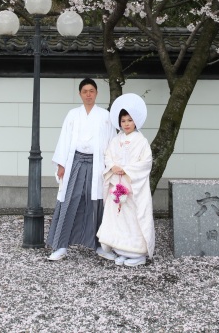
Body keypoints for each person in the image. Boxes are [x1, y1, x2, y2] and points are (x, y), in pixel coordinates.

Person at [46, 78, 116, 261]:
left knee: (96, 203)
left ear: (97, 93)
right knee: (69, 200)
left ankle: (101, 245)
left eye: (91, 91)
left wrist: (111, 166)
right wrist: (61, 164)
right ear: (80, 94)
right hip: (75, 162)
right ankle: (60, 245)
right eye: (85, 91)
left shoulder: (105, 116)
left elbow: (111, 143)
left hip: (98, 163)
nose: (88, 94)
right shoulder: (72, 114)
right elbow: (64, 139)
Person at [96, 93, 155, 267]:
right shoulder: (116, 140)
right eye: (123, 121)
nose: (126, 124)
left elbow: (146, 163)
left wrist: (126, 169)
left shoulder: (141, 141)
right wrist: (113, 166)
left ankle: (137, 253)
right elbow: (108, 156)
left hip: (133, 186)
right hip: (117, 185)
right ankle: (121, 251)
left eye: (129, 120)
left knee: (134, 218)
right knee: (118, 218)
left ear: (135, 121)